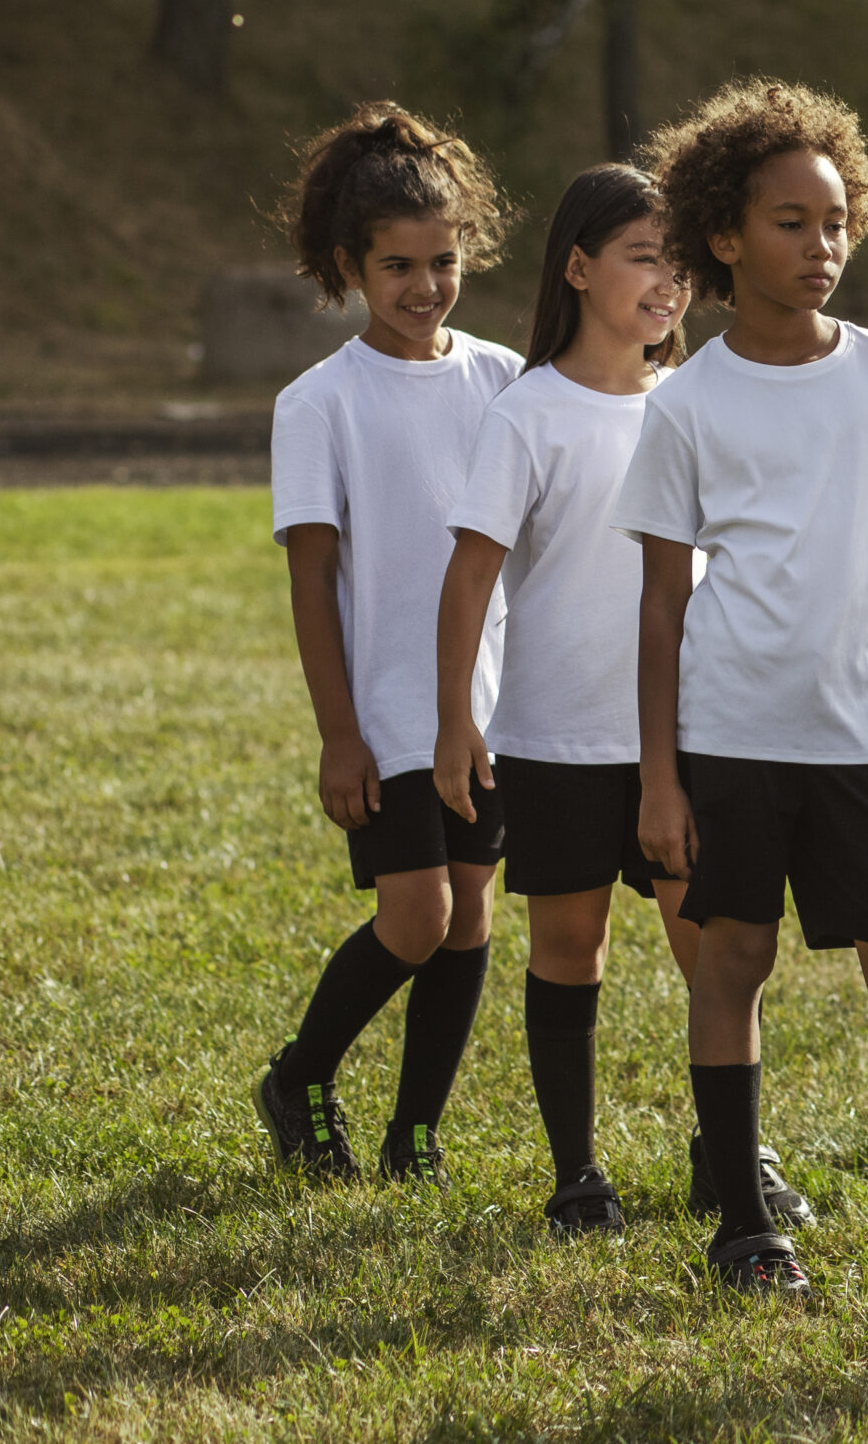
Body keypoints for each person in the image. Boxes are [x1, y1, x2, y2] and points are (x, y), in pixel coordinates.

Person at [614, 78, 868, 1301]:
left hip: (864, 743)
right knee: (731, 963)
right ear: (722, 236)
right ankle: (743, 1229)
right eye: (790, 223)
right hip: (730, 738)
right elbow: (663, 603)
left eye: (835, 221)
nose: (821, 246)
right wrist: (661, 779)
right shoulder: (683, 403)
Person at [432, 164, 813, 1237]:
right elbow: (469, 576)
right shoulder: (530, 414)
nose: (669, 282)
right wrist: (457, 719)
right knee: (569, 949)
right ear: (580, 267)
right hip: (556, 738)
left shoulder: (699, 402)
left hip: (690, 738)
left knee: (714, 945)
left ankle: (730, 1152)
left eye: (682, 263)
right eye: (646, 257)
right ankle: (576, 1174)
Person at [254, 103, 523, 1186]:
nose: (425, 287)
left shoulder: (506, 378)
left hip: (495, 701)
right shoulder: (319, 402)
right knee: (418, 917)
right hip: (391, 707)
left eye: (444, 261)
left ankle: (417, 1132)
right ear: (347, 266)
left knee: (470, 923)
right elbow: (312, 577)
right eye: (398, 265)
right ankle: (301, 1074)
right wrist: (339, 736)